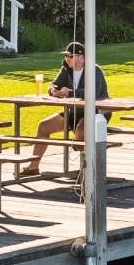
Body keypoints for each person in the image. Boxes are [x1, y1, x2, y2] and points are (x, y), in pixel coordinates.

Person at [20, 42, 110, 177]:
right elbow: (53, 84)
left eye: (70, 56)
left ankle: (89, 173)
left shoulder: (94, 70)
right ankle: (33, 167)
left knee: (80, 132)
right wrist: (53, 90)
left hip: (96, 112)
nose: (67, 59)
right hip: (73, 111)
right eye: (66, 55)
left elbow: (93, 93)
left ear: (81, 57)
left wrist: (70, 93)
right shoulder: (66, 69)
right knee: (43, 126)